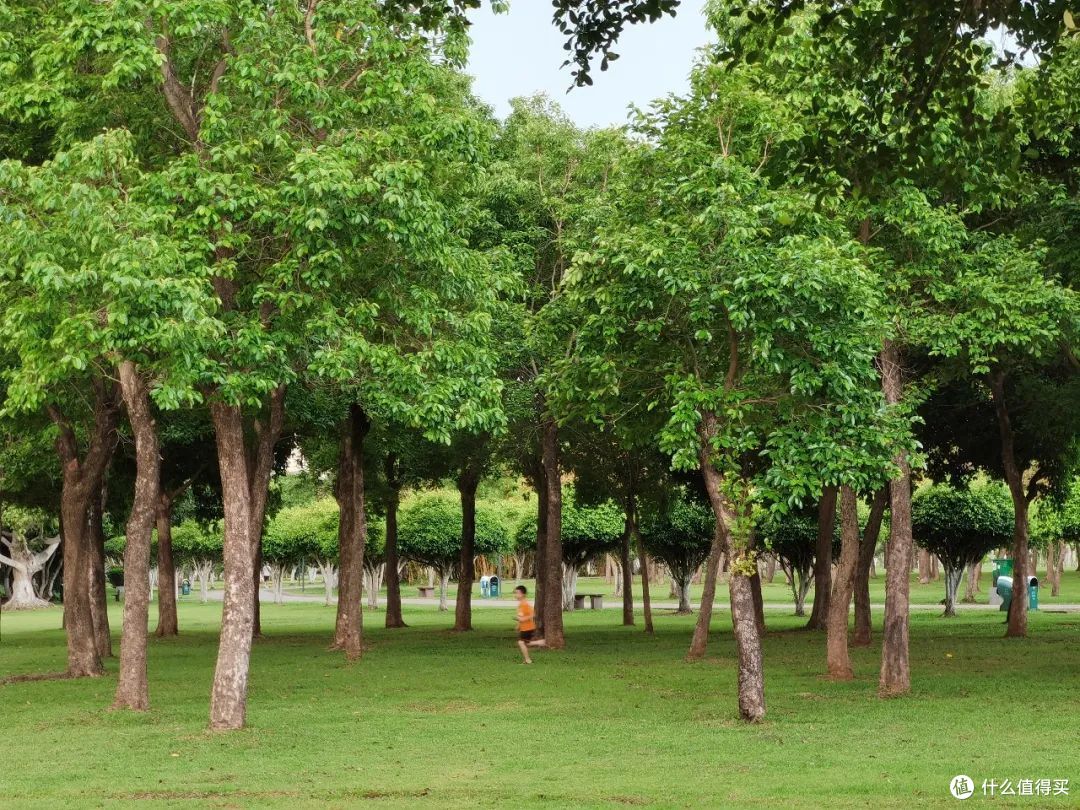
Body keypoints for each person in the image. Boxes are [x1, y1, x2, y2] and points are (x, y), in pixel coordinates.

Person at [514, 585, 543, 663]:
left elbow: (533, 614)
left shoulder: (525, 604)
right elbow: (520, 616)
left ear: (523, 594)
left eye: (517, 593)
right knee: (525, 643)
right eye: (515, 593)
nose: (516, 595)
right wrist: (518, 625)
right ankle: (540, 642)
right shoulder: (521, 604)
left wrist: (522, 619)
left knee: (521, 643)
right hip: (524, 628)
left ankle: (528, 660)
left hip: (528, 628)